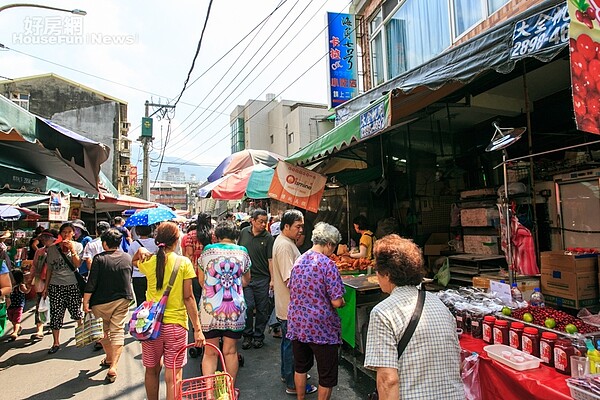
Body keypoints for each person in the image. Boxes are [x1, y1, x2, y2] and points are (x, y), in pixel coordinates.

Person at [364, 234, 465, 400]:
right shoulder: (439, 304)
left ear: (387, 274)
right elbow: (457, 364)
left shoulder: (382, 313)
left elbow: (388, 380)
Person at [132, 221, 204, 400]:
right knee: (174, 376)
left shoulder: (149, 261)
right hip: (176, 326)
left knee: (151, 371)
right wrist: (198, 329)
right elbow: (189, 298)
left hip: (150, 327)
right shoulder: (184, 263)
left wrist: (139, 251)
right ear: (176, 240)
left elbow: (133, 262)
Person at [287, 222, 346, 400]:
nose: (333, 251)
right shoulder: (328, 265)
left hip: (298, 324)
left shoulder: (299, 260)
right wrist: (342, 302)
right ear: (329, 243)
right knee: (326, 375)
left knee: (301, 367)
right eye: (333, 247)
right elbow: (336, 301)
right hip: (322, 328)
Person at [198, 220, 251, 397]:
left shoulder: (207, 251)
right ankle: (229, 391)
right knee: (230, 351)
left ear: (217, 236)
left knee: (210, 352)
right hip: (235, 307)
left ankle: (209, 394)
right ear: (235, 236)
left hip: (210, 308)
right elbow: (246, 280)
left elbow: (201, 281)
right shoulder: (242, 252)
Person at [272, 210, 318, 396]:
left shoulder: (286, 243)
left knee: (288, 343)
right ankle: (293, 383)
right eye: (298, 226)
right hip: (291, 306)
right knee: (293, 346)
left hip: (289, 306)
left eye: (302, 226)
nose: (301, 230)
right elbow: (289, 279)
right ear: (286, 226)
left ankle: (288, 374)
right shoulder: (284, 246)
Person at [83, 228, 133, 384]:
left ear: (104, 243)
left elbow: (91, 282)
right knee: (117, 331)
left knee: (103, 332)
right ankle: (114, 365)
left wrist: (85, 301)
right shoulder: (127, 258)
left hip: (100, 302)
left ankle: (110, 358)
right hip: (122, 300)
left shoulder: (99, 259)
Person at [43, 222, 84, 354]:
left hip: (72, 284)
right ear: (60, 234)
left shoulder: (78, 246)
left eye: (69, 232)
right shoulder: (52, 249)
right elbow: (49, 269)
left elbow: (77, 265)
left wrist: (72, 250)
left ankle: (81, 334)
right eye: (64, 232)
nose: (66, 234)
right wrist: (46, 287)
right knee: (56, 313)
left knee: (76, 311)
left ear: (73, 234)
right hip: (56, 286)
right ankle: (56, 342)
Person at [238, 208, 274, 350]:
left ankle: (258, 336)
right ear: (252, 221)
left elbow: (270, 260)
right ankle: (247, 335)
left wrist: (272, 279)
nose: (263, 225)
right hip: (246, 278)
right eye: (260, 222)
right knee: (247, 306)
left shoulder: (268, 237)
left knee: (262, 309)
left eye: (265, 222)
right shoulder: (243, 233)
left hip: (262, 279)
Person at [27, 229, 58, 340]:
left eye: (46, 238)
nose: (44, 240)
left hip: (55, 281)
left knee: (54, 304)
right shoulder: (39, 251)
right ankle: (39, 329)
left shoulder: (58, 250)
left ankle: (52, 324)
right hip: (41, 280)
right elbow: (34, 266)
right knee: (40, 304)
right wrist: (30, 279)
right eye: (43, 238)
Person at [128, 224, 158, 307]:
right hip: (152, 274)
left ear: (137, 232)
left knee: (140, 300)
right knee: (153, 299)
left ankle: (141, 317)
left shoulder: (133, 244)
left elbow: (130, 259)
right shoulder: (155, 242)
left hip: (137, 275)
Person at [6, 269, 30, 341]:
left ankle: (15, 332)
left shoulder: (21, 286)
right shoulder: (9, 286)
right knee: (12, 319)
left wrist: (29, 288)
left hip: (19, 306)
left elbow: (26, 291)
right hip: (10, 306)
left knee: (16, 320)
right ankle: (18, 328)